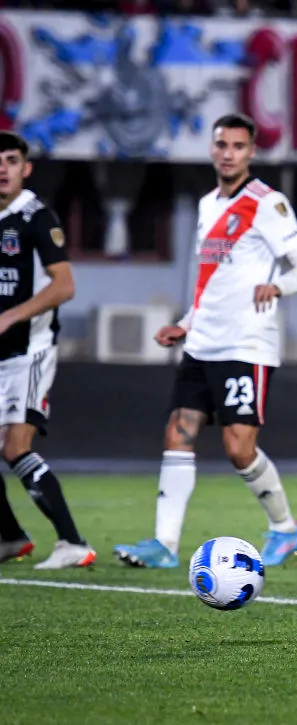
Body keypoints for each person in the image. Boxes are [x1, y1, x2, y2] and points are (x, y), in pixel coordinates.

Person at [114, 114, 297, 569]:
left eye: (238, 146)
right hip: (201, 343)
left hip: (246, 345)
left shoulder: (267, 203)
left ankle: (285, 529)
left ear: (251, 153)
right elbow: (211, 281)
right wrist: (186, 322)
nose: (228, 153)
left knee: (238, 449)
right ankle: (164, 545)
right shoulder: (208, 204)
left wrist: (279, 287)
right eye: (222, 144)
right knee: (178, 433)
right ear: (212, 150)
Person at [0, 131, 96, 570]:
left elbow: (64, 285)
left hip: (30, 350)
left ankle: (73, 542)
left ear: (26, 168)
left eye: (11, 160)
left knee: (16, 446)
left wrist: (12, 315)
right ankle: (10, 538)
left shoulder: (37, 217)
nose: (3, 168)